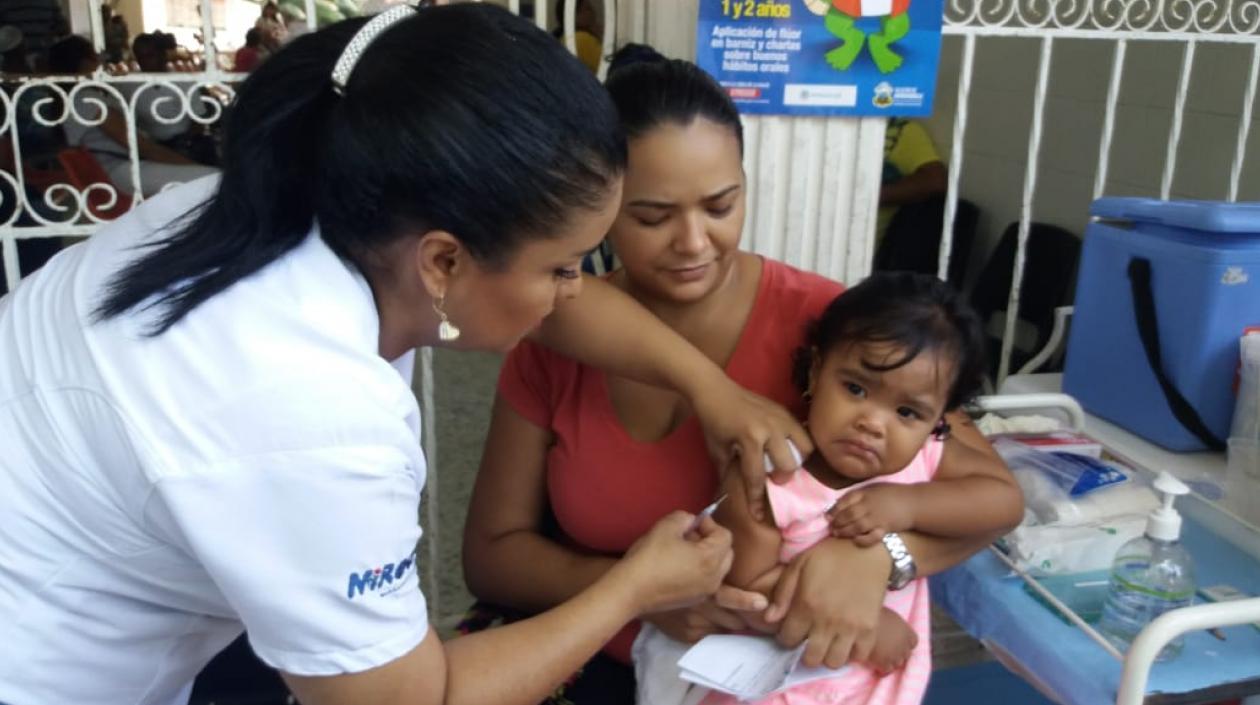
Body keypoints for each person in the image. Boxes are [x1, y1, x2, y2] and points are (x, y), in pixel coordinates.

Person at [0, 7, 809, 705]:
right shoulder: (313, 415)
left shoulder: (289, 200)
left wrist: (712, 388)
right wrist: (635, 586)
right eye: (565, 266)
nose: (578, 292)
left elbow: (545, 304)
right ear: (444, 262)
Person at [462, 46, 1017, 704]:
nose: (693, 242)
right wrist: (638, 593)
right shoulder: (554, 334)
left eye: (720, 206)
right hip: (610, 659)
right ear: (600, 208)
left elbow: (987, 497)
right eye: (652, 216)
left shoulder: (836, 333)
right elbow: (492, 553)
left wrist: (879, 554)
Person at [634, 272, 1024, 705]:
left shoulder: (927, 457)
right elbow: (747, 586)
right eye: (856, 388)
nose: (872, 423)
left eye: (907, 412)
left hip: (878, 687)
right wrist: (870, 627)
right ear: (818, 371)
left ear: (938, 421)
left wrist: (908, 504)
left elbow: (1003, 503)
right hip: (776, 683)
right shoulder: (772, 477)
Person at [46, 34, 217, 197]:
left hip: (119, 167)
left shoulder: (80, 97)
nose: (100, 62)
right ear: (84, 63)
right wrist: (191, 165)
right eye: (94, 57)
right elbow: (141, 147)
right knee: (212, 179)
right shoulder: (87, 100)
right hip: (119, 170)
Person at [553, 0, 602, 73]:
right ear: (574, 16)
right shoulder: (582, 39)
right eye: (588, 8)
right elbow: (609, 66)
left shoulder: (563, 38)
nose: (594, 12)